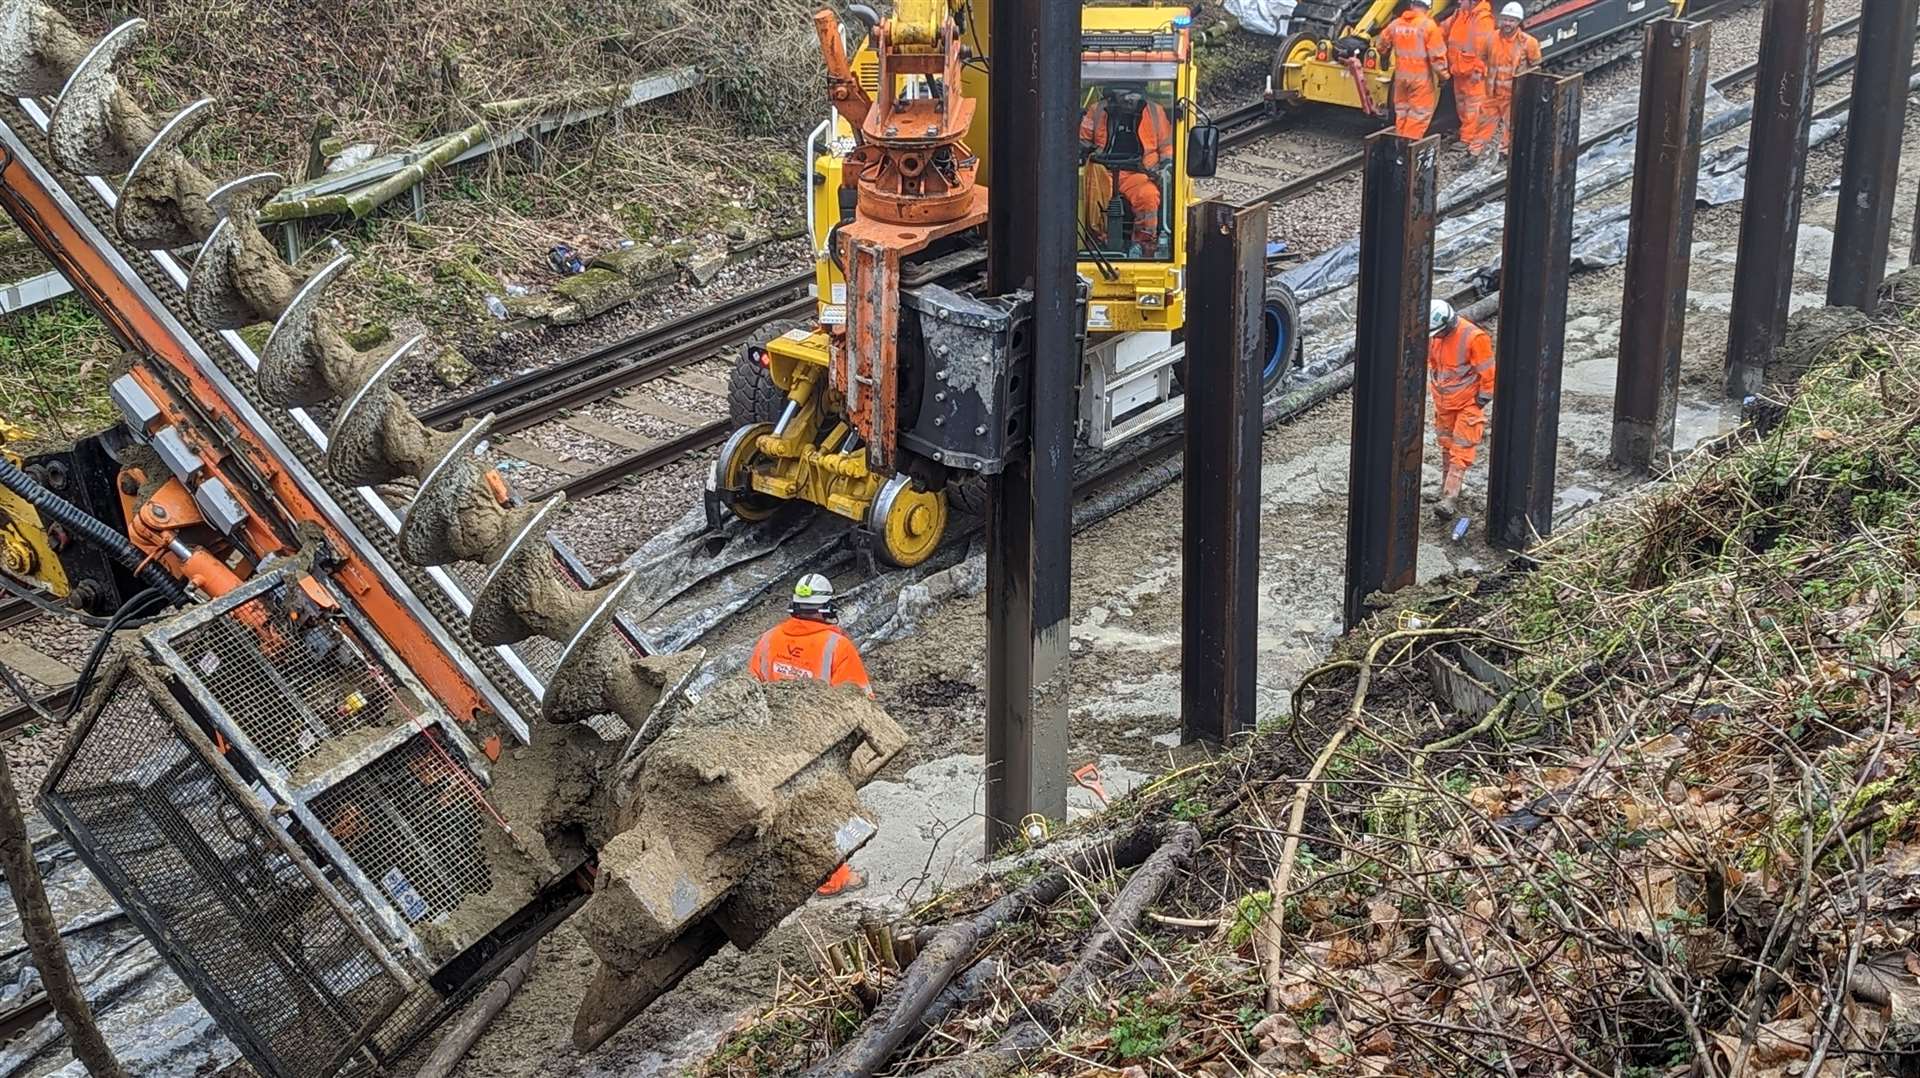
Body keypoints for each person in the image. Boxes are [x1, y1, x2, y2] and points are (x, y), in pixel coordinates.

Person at [748, 573, 872, 895]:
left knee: (788, 813)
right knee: (829, 807)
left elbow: (750, 691)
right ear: (824, 608)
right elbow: (861, 700)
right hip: (819, 745)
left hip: (774, 744)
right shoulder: (836, 646)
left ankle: (794, 876)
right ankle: (835, 879)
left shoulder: (768, 640)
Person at [1079, 85, 1176, 255]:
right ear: (1113, 94)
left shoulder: (1155, 112)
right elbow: (1082, 140)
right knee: (1089, 198)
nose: (1130, 98)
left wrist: (1166, 166)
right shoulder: (1097, 110)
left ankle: (1143, 245)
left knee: (1148, 197)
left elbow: (1167, 145)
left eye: (1134, 94)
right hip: (1102, 172)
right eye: (1125, 94)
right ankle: (1097, 243)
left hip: (1140, 173)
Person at [1426, 300, 1495, 518]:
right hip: (1445, 403)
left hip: (1467, 404)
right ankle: (1445, 486)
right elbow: (1435, 365)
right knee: (1446, 445)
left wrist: (1480, 401)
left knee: (1461, 450)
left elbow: (1489, 374)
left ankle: (1450, 498)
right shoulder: (1435, 337)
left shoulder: (1474, 337)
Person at [1383, 0, 1450, 139]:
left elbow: (1381, 43)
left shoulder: (1396, 24)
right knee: (1419, 115)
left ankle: (1399, 140)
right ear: (1427, 7)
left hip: (1401, 78)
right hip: (1421, 80)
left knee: (1402, 112)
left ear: (1412, 5)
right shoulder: (1429, 26)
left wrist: (1385, 55)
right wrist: (1444, 76)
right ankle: (1407, 145)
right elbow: (1437, 57)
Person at [1481, 2, 1543, 154]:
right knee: (1483, 123)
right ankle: (1475, 152)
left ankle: (1505, 153)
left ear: (1518, 22)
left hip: (1513, 94)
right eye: (1505, 19)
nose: (1507, 23)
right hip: (1493, 93)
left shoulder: (1528, 42)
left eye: (1512, 20)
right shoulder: (1491, 38)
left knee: (1510, 125)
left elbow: (1536, 67)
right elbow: (1483, 58)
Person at [1444, 0, 1496, 153]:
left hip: (1472, 72)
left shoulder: (1482, 19)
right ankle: (1465, 133)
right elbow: (1444, 29)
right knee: (1462, 106)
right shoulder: (1461, 14)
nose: (1459, 1)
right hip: (1459, 70)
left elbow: (1485, 49)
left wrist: (1478, 71)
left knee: (1473, 107)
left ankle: (1469, 139)